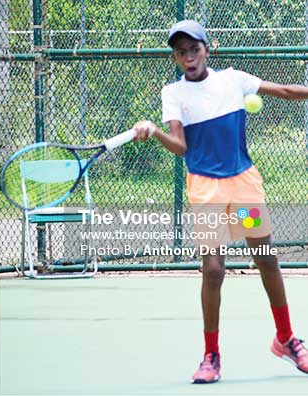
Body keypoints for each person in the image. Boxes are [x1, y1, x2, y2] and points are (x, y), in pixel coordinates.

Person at [133, 19, 308, 384]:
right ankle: (211, 356)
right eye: (181, 53)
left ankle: (287, 340)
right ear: (177, 59)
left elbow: (288, 92)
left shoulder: (233, 79)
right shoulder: (174, 94)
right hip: (207, 190)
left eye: (194, 49)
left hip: (242, 184)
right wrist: (155, 132)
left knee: (265, 258)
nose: (188, 57)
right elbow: (180, 146)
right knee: (213, 270)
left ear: (207, 49)